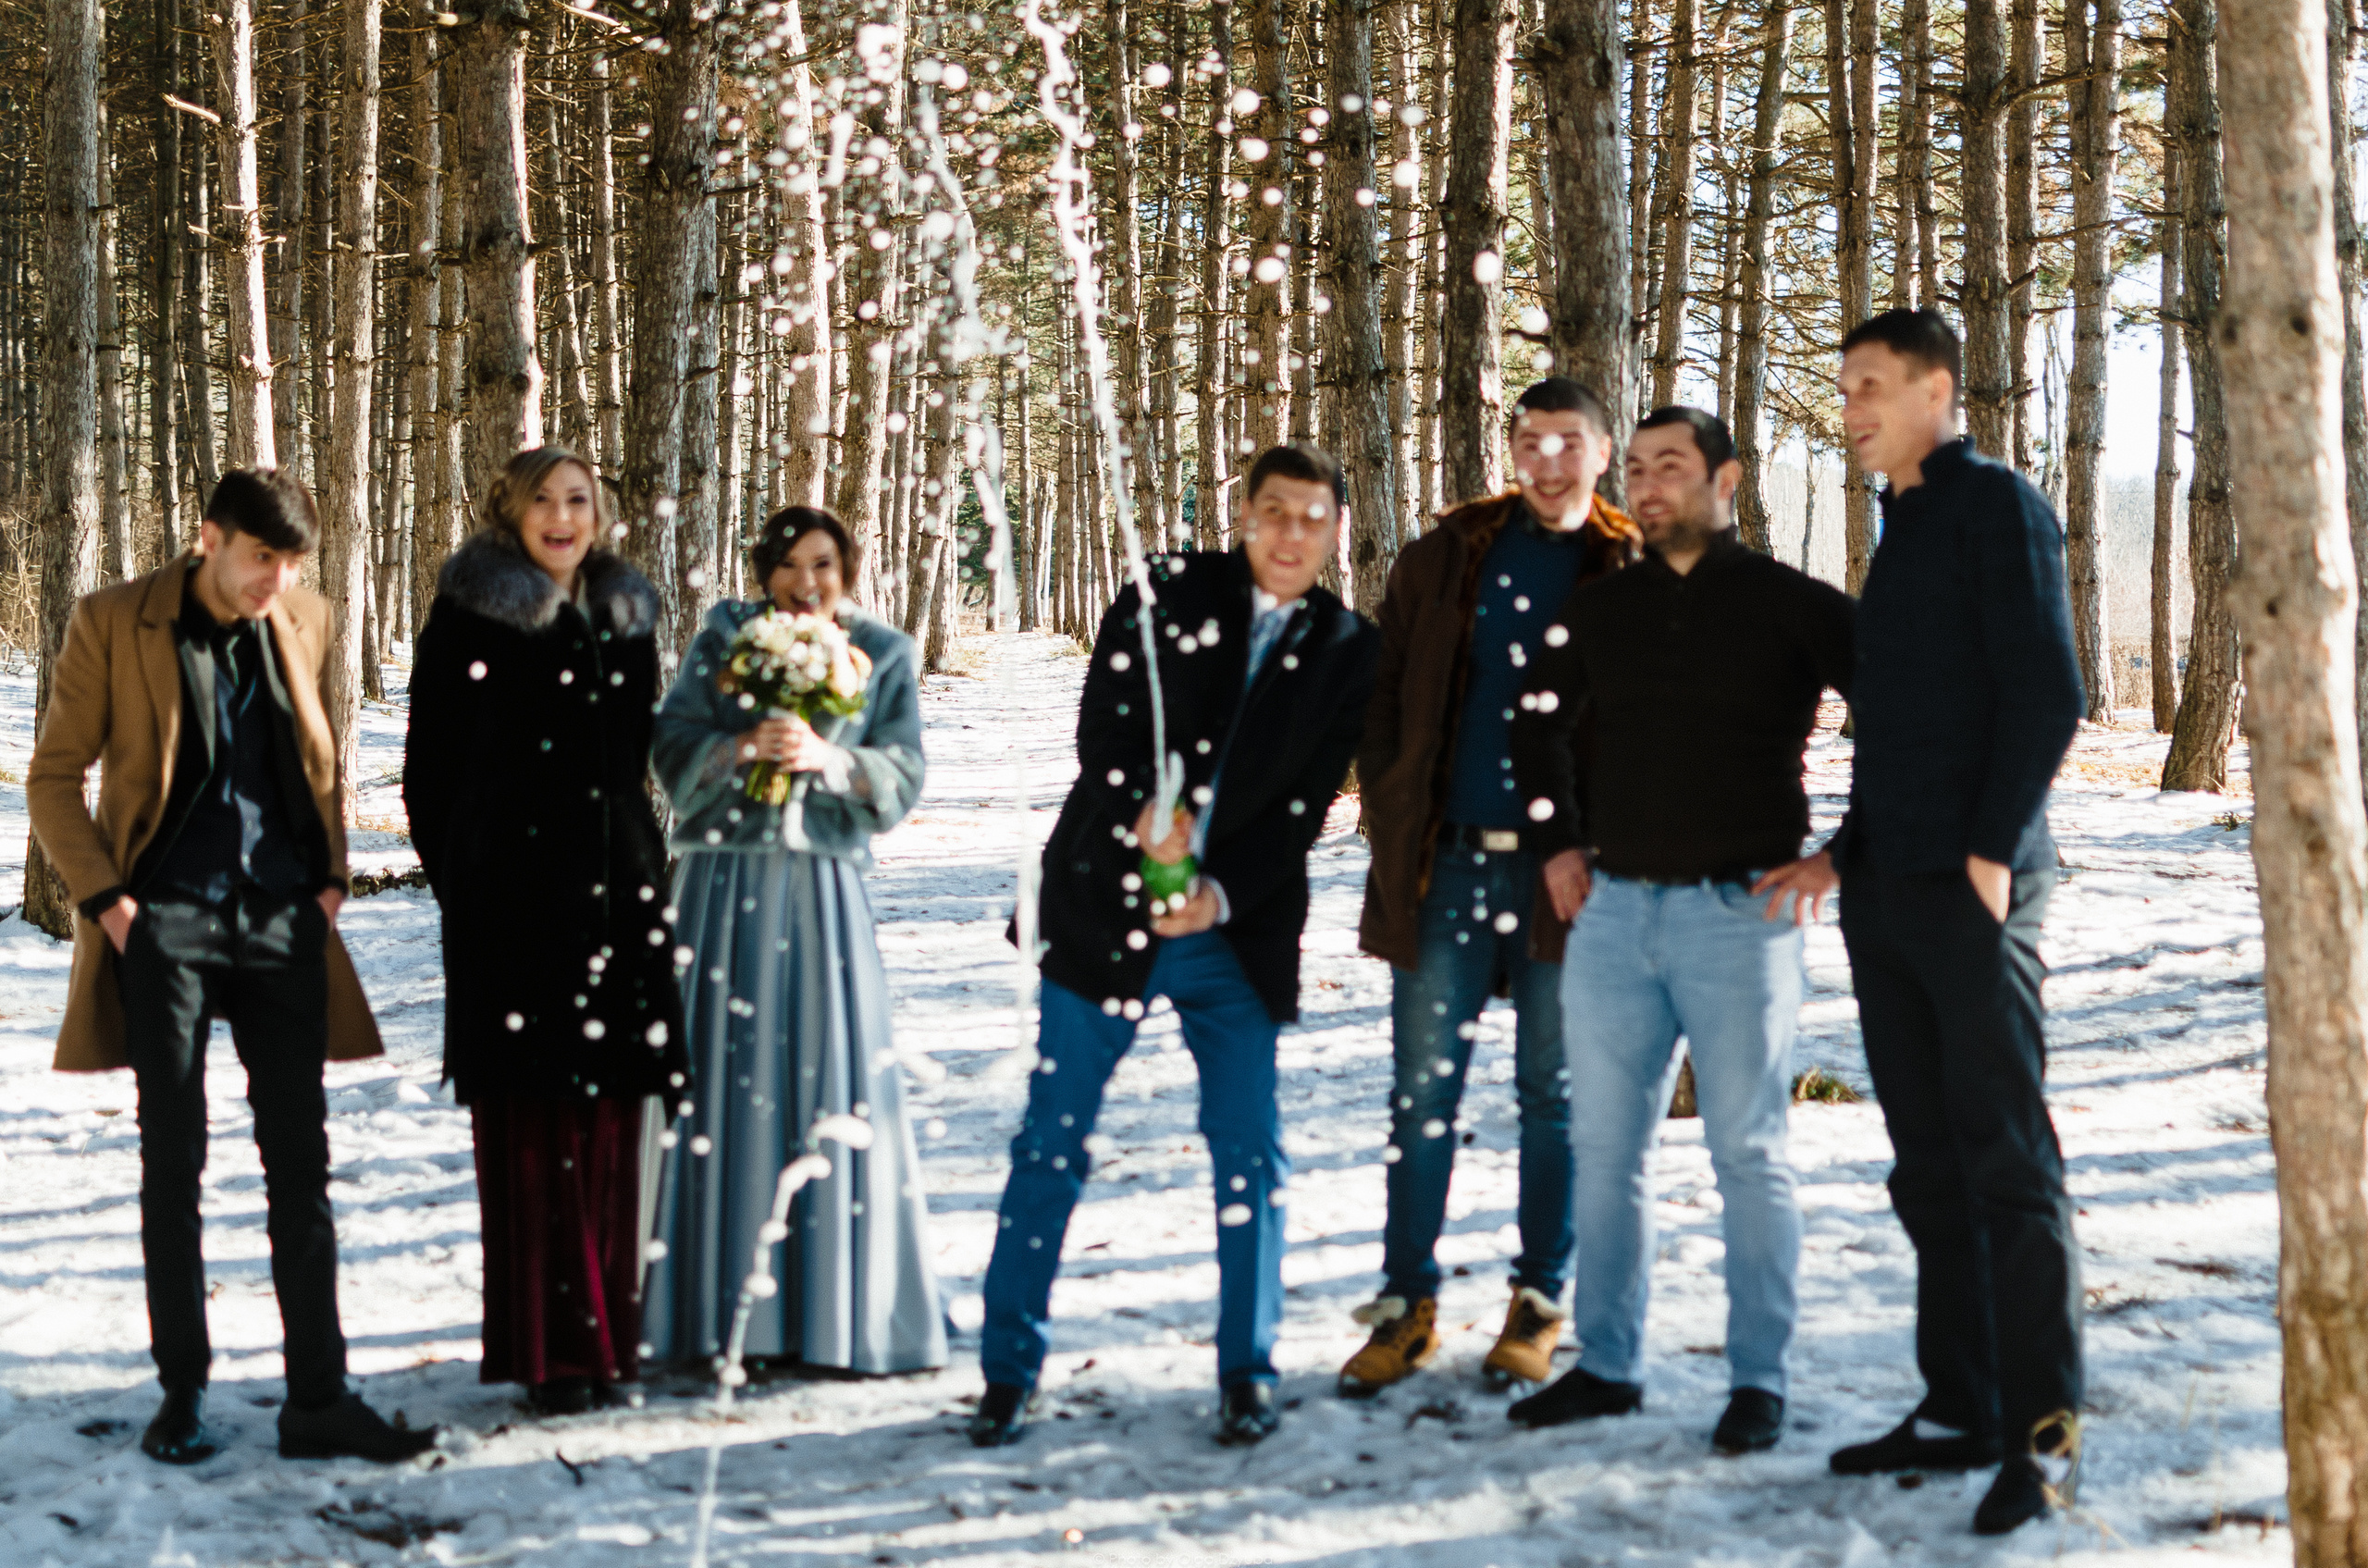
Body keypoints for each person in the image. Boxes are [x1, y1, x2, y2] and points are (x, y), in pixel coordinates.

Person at [969, 444, 1379, 1449]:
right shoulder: (1162, 591)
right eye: (1272, 511)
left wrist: (1220, 891)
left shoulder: (1347, 647)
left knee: (1249, 1153)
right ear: (1241, 516)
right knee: (1051, 1140)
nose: (1290, 533)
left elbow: (1308, 803)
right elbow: (1103, 735)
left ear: (1336, 530)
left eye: (1311, 516)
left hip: (1230, 935)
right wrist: (1144, 821)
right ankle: (1006, 1374)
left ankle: (1247, 1372)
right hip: (1103, 911)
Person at [27, 469, 432, 1465]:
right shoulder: (113, 620)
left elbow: (318, 762)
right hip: (163, 930)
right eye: (262, 557)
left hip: (283, 928)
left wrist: (329, 880)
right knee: (175, 1162)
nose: (278, 579)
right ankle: (182, 1391)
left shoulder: (304, 615)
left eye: (293, 562)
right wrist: (112, 908)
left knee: (301, 1162)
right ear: (208, 538)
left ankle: (318, 1398)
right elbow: (50, 777)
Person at [1758, 309, 2087, 1535]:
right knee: (1929, 1165)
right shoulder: (1903, 528)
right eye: (1843, 386)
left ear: (1938, 389)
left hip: (1972, 891)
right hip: (1888, 895)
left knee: (2007, 1164)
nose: (1850, 406)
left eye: (1872, 385)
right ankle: (1960, 1403)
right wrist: (1842, 859)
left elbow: (2050, 688)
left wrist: (1993, 849)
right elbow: (1910, 730)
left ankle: (2044, 1431)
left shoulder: (1995, 505)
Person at [1504, 407, 1855, 1453]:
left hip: (1740, 917)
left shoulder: (1792, 606)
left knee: (1748, 1150)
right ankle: (1607, 1364)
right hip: (1611, 917)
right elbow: (1532, 724)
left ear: (1725, 480)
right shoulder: (1602, 610)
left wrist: (1845, 852)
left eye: (1674, 467)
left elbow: (1900, 714)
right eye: (1642, 469)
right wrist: (1557, 846)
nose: (1651, 486)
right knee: (1606, 1151)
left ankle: (1759, 1381)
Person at [1341, 377, 1640, 1397]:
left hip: (1569, 878)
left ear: (1603, 453)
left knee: (1552, 1101)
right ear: (1511, 450)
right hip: (1448, 862)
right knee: (1422, 1099)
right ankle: (1405, 1307)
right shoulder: (1450, 553)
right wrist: (1391, 812)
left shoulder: (1629, 566)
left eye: (1570, 441)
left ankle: (1536, 1306)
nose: (1549, 459)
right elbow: (1385, 694)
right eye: (1531, 440)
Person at [403, 447, 688, 1416]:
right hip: (511, 906)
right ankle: (549, 1352)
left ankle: (610, 1341)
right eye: (543, 501)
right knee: (533, 1127)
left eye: (580, 500)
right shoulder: (467, 614)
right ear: (507, 511)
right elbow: (427, 771)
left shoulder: (627, 613)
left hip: (618, 889)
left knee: (613, 1119)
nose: (563, 517)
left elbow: (642, 759)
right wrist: (468, 885)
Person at [643, 506, 944, 1377]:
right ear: (763, 572)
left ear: (846, 570)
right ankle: (711, 1309)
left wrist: (831, 761)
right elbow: (670, 743)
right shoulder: (723, 642)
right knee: (721, 1080)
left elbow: (904, 769)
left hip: (820, 888)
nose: (804, 582)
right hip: (719, 886)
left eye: (822, 564)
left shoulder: (883, 652)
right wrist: (738, 747)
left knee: (825, 1076)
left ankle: (832, 1311)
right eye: (787, 565)